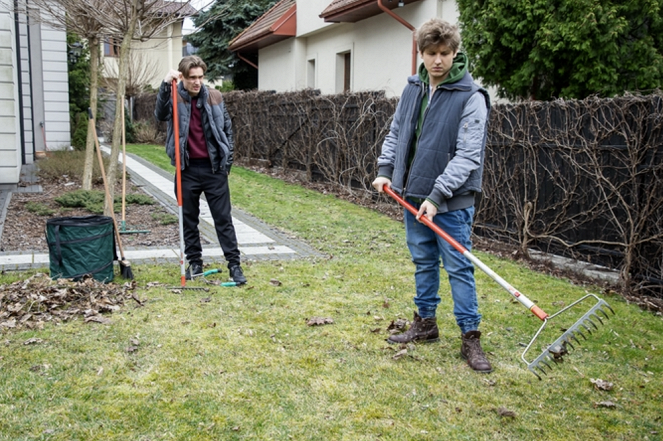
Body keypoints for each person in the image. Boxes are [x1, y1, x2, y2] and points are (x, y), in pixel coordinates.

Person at [372, 19, 491, 373]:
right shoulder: (413, 90)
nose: (438, 60)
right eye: (431, 53)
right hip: (412, 196)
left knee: (458, 268)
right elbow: (397, 133)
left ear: (455, 53)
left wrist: (438, 196)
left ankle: (471, 337)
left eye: (445, 53)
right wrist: (384, 170)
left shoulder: (471, 97)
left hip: (451, 203)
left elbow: (468, 155)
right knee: (423, 262)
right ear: (421, 54)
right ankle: (425, 323)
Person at [155, 55, 246, 284]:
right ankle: (195, 263)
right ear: (183, 77)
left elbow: (227, 130)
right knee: (189, 220)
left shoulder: (215, 96)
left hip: (214, 169)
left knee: (223, 219)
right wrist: (166, 85)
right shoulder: (175, 96)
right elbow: (161, 114)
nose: (197, 82)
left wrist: (227, 164)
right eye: (192, 78)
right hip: (186, 169)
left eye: (200, 77)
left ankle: (234, 265)